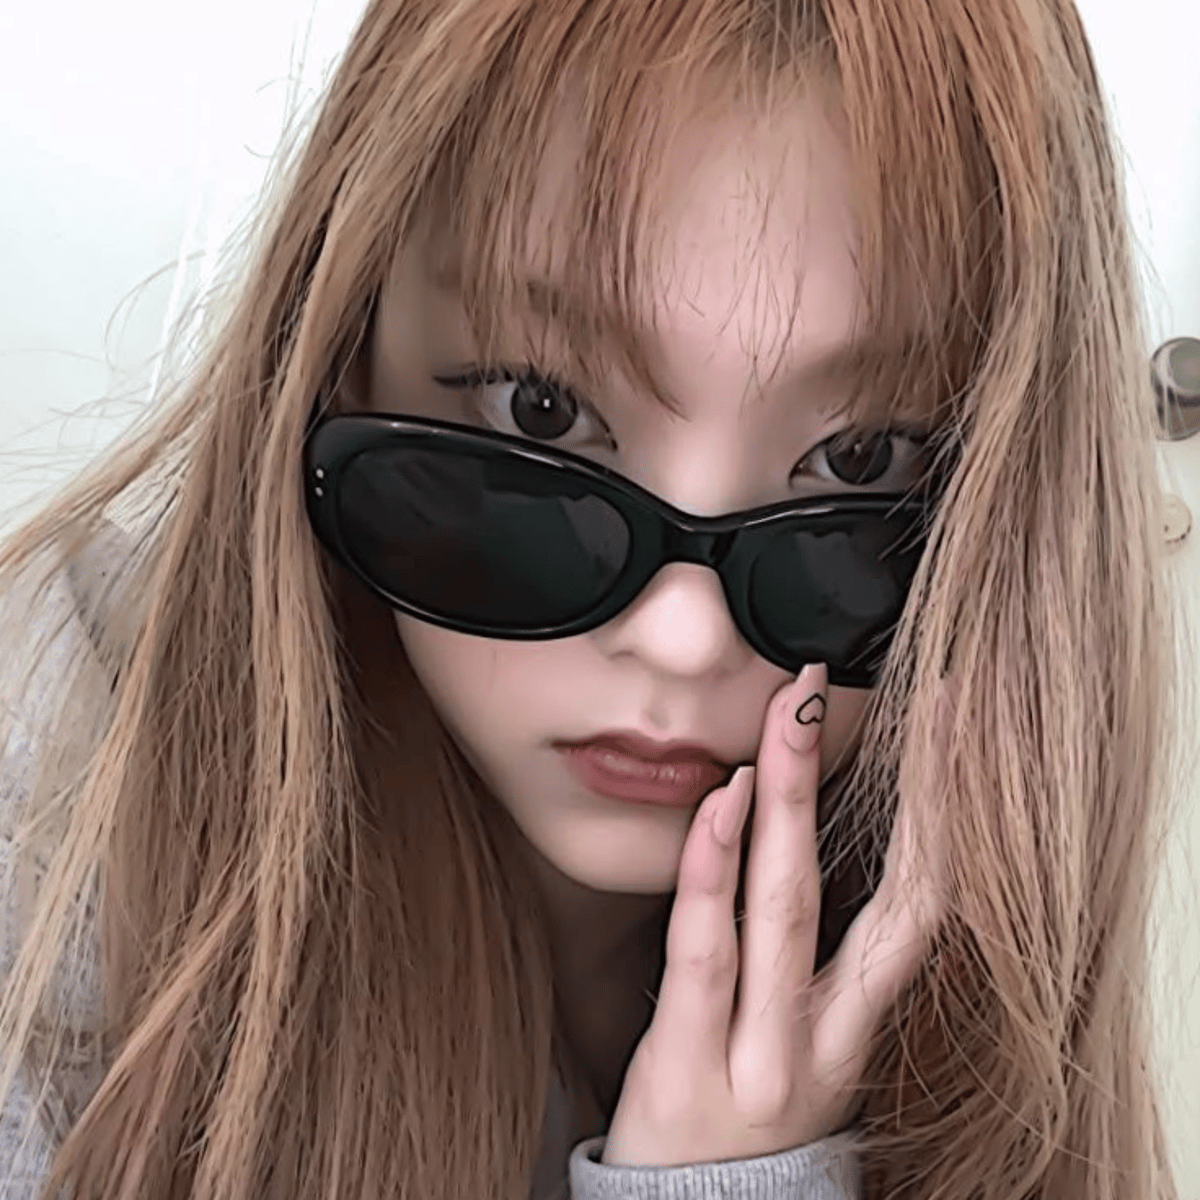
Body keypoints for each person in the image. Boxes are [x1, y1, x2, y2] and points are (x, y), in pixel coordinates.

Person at [0, 0, 1186, 1197]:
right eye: (543, 411)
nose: (684, 636)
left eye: (863, 462)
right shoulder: (52, 809)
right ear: (344, 351)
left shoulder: (980, 983)